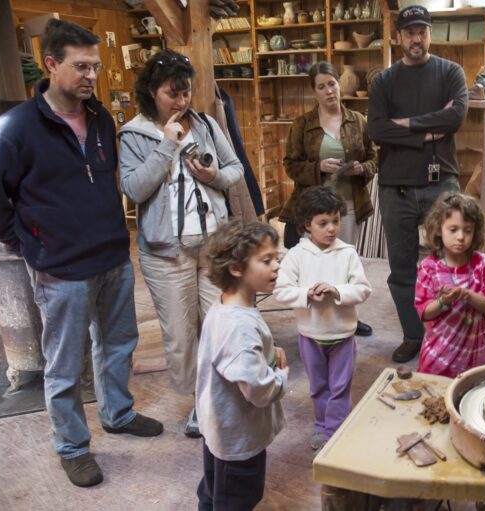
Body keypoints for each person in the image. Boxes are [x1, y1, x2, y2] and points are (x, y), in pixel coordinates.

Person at [0, 19, 162, 488]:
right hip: (60, 269)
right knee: (64, 363)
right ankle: (72, 447)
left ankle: (118, 414)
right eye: (80, 66)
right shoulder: (14, 128)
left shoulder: (102, 118)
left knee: (118, 345)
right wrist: (25, 241)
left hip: (112, 258)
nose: (91, 76)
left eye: (96, 67)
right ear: (50, 64)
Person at [118, 49, 245, 437]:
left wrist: (212, 176)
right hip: (164, 253)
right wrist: (167, 147)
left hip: (213, 246)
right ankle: (197, 403)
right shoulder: (133, 133)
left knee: (221, 324)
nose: (182, 101)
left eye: (186, 91)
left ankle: (221, 397)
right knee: (180, 336)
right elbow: (135, 188)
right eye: (173, 93)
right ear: (152, 91)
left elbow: (235, 168)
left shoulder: (205, 123)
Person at [367, 5, 468, 363]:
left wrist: (405, 125)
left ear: (429, 34)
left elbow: (455, 116)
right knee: (403, 268)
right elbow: (377, 129)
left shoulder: (450, 72)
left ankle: (448, 333)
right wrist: (427, 134)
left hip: (442, 182)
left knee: (452, 262)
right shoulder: (383, 81)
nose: (416, 38)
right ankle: (414, 333)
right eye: (409, 32)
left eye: (422, 31)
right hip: (396, 188)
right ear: (398, 37)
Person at [196, 220, 288, 510]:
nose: (276, 266)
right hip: (238, 439)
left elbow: (236, 358)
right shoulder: (239, 327)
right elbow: (258, 389)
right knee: (235, 499)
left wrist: (267, 353)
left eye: (277, 258)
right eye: (266, 260)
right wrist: (280, 375)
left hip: (219, 429)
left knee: (212, 492)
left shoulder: (225, 306)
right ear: (236, 268)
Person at [282, 60, 377, 337]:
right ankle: (317, 318)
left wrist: (363, 168)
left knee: (345, 263)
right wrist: (318, 167)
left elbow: (374, 157)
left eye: (332, 84)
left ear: (339, 84)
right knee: (317, 263)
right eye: (321, 87)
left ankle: (349, 316)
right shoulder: (302, 125)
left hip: (348, 206)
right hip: (314, 210)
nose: (329, 91)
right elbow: (290, 164)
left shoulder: (358, 121)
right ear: (314, 92)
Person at [274, 186, 371, 451]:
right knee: (318, 386)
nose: (331, 229)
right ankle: (321, 424)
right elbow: (281, 292)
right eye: (323, 223)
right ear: (307, 224)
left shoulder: (348, 253)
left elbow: (363, 289)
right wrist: (307, 294)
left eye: (336, 221)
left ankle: (335, 433)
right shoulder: (295, 256)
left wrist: (337, 290)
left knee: (340, 387)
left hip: (342, 334)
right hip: (310, 335)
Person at [414, 193, 485, 377]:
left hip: (475, 356)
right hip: (439, 356)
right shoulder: (429, 267)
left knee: (470, 398)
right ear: (438, 229)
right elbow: (424, 312)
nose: (461, 237)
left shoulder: (482, 263)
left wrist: (467, 295)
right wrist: (444, 301)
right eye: (453, 229)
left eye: (467, 230)